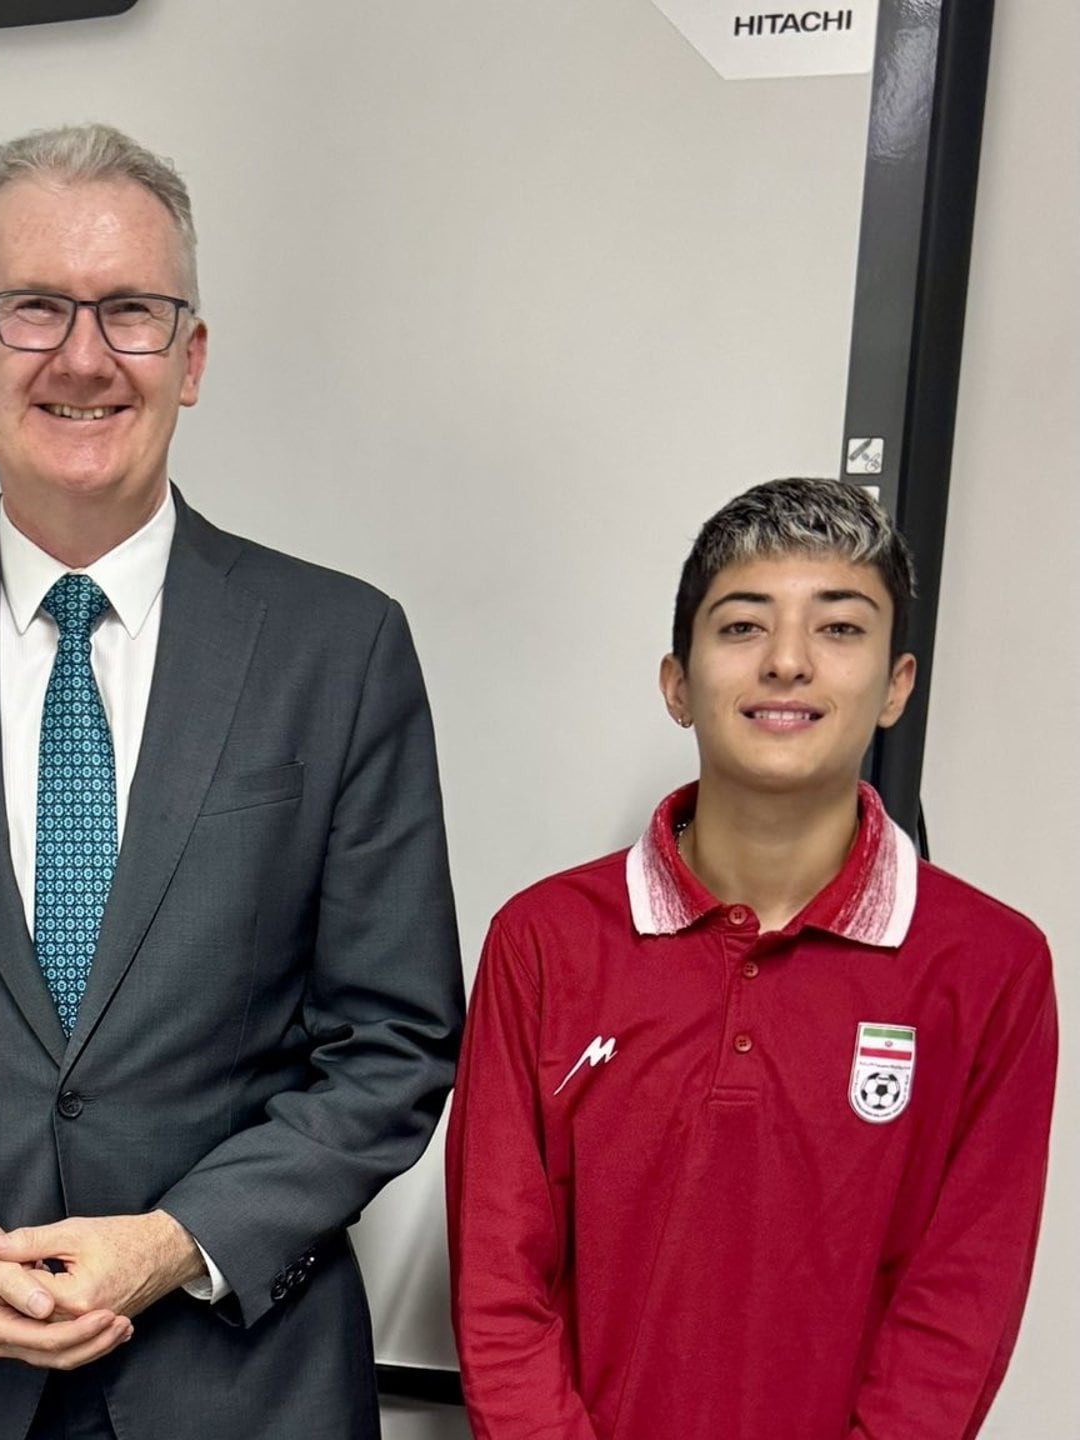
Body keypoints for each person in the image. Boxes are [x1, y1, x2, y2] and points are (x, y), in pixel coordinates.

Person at [0, 123, 463, 1440]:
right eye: (33, 309)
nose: (80, 355)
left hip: (248, 1382)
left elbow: (393, 1038)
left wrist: (180, 1240)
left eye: (129, 310)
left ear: (191, 357)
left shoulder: (338, 649)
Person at [445, 477, 1057, 1440]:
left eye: (840, 628)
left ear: (897, 684)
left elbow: (959, 1307)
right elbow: (500, 1283)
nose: (786, 662)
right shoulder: (544, 940)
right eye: (741, 627)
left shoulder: (990, 966)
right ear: (678, 684)